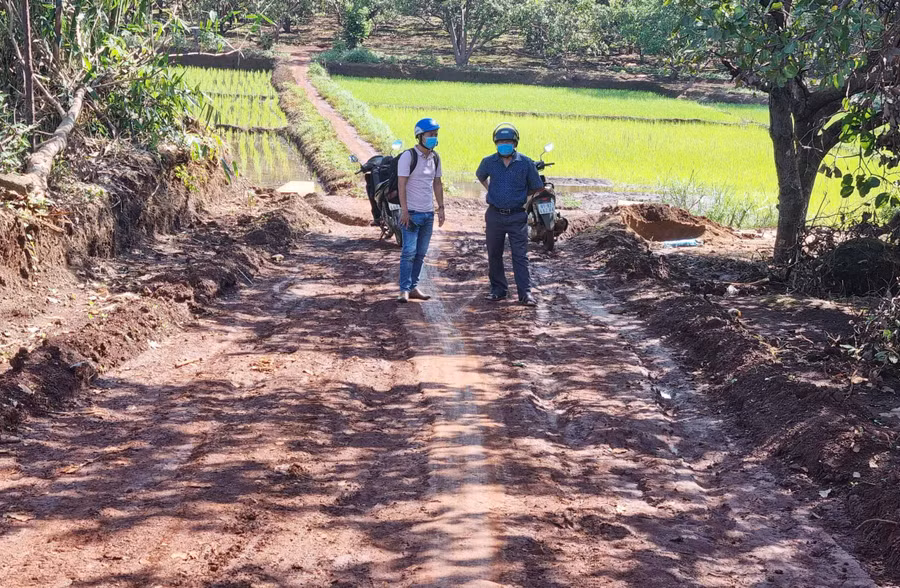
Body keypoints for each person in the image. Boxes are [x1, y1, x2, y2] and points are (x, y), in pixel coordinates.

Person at [475, 123, 543, 306]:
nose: (504, 145)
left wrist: (520, 196)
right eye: (501, 142)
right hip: (494, 215)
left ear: (515, 143)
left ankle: (525, 293)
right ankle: (498, 290)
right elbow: (480, 175)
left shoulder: (526, 163)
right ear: (495, 143)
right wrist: (491, 190)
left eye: (508, 142)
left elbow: (537, 186)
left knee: (520, 255)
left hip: (517, 216)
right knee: (494, 253)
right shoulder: (489, 162)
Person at [397, 117, 445, 303]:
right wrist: (405, 211)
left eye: (435, 134)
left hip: (428, 214)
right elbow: (402, 185)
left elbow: (437, 183)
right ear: (420, 136)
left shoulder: (435, 157)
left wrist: (441, 208)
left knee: (421, 253)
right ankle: (403, 289)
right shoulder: (408, 156)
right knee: (408, 252)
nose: (434, 137)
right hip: (413, 213)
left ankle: (413, 286)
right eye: (430, 135)